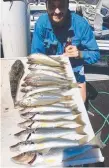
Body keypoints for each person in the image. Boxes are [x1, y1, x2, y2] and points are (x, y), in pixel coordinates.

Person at [31, 0, 100, 102]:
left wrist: (79, 54)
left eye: (61, 5)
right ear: (46, 6)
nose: (57, 11)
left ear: (68, 5)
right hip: (50, 72)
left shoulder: (81, 24)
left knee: (79, 107)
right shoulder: (41, 23)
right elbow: (36, 56)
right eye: (52, 6)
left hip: (74, 73)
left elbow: (96, 54)